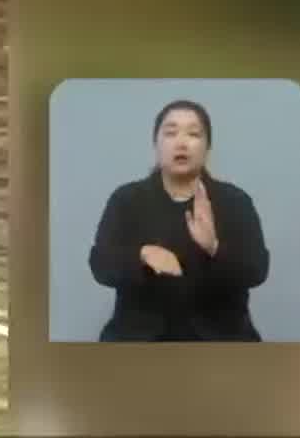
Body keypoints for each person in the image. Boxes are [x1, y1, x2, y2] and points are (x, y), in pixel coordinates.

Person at [88, 99, 270, 341]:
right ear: (156, 143)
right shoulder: (127, 199)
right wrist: (142, 254)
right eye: (170, 133)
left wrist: (213, 247)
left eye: (194, 134)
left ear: (207, 147)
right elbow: (100, 265)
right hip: (140, 339)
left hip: (220, 340)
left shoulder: (234, 201)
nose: (182, 143)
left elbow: (257, 270)